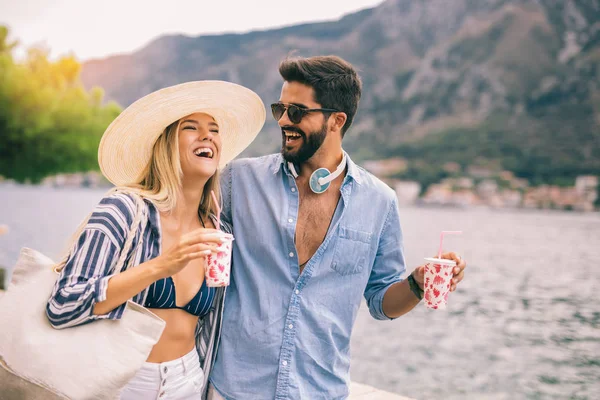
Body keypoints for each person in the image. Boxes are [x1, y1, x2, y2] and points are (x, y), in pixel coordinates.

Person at [208, 56, 467, 399]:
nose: (284, 120)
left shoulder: (379, 201)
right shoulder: (237, 181)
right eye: (280, 109)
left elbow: (381, 302)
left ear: (337, 120)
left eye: (297, 111)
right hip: (235, 390)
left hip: (321, 392)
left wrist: (417, 285)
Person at [45, 81, 265, 400]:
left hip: (188, 381)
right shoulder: (123, 210)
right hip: (120, 383)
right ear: (165, 146)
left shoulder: (220, 231)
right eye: (191, 128)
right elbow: (62, 305)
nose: (208, 136)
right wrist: (160, 267)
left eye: (214, 130)